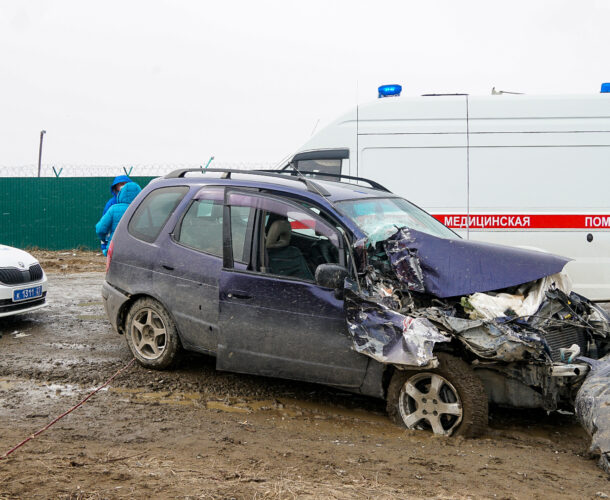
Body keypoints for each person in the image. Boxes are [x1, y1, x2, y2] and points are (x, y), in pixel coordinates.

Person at [96, 181, 142, 255]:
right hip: (138, 250)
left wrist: (104, 240)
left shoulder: (113, 209)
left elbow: (100, 229)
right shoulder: (144, 209)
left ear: (121, 194)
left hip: (116, 249)